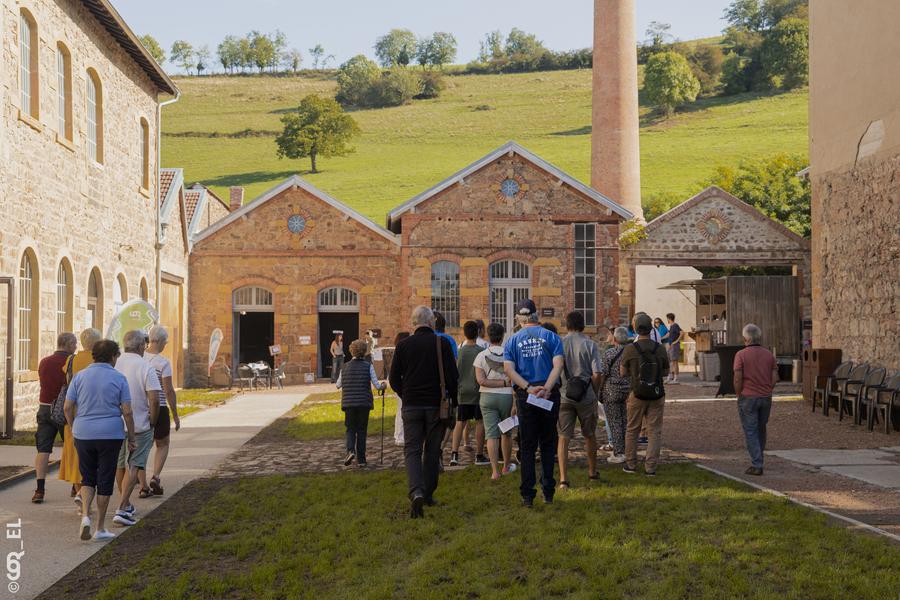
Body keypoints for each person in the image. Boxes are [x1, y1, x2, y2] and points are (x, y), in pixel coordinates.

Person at [389, 306, 458, 518]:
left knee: (411, 450)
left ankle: (416, 490)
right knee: (432, 450)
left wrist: (406, 394)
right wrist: (452, 400)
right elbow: (452, 377)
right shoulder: (442, 343)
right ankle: (427, 494)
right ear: (432, 322)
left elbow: (393, 379)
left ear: (413, 323)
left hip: (411, 406)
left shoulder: (403, 346)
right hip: (436, 406)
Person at [64, 339, 135, 541]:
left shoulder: (79, 377)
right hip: (110, 434)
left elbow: (67, 408)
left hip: (83, 433)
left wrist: (73, 426)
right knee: (105, 479)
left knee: (87, 478)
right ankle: (100, 528)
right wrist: (131, 437)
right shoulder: (119, 378)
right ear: (113, 357)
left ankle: (86, 515)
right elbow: (127, 412)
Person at [503, 299, 565, 507]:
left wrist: (529, 388)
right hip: (548, 394)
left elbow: (509, 370)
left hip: (526, 394)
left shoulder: (512, 341)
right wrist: (547, 387)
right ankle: (548, 492)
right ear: (536, 315)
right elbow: (558, 366)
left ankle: (527, 495)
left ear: (519, 319)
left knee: (527, 446)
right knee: (548, 444)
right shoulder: (552, 337)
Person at [112, 331, 161, 526]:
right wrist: (153, 420)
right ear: (142, 347)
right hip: (140, 424)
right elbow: (155, 399)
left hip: (116, 424)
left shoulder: (115, 364)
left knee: (120, 464)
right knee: (135, 465)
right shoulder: (145, 367)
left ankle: (125, 502)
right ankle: (122, 508)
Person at [556, 311, 603, 488]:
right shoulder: (590, 345)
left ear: (567, 325)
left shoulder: (559, 344)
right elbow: (597, 373)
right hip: (586, 395)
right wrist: (594, 391)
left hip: (564, 395)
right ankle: (592, 472)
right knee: (589, 435)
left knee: (563, 437)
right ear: (583, 325)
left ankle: (563, 479)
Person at [59, 328, 103, 509]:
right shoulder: (98, 361)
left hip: (73, 415)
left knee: (75, 457)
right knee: (95, 457)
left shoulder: (71, 360)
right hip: (94, 413)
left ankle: (80, 494)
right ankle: (83, 496)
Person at [620, 313, 669, 476]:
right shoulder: (660, 348)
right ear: (651, 328)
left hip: (637, 393)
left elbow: (622, 373)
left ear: (635, 328)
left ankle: (631, 464)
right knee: (655, 431)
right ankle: (651, 467)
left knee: (632, 429)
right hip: (656, 393)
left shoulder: (629, 349)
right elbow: (665, 372)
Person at [32, 333, 78, 503]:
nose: (75, 347)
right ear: (68, 344)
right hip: (63, 409)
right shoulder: (70, 362)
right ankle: (75, 485)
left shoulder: (44, 361)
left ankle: (39, 489)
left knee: (43, 450)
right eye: (74, 343)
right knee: (71, 446)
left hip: (44, 407)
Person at [734, 324, 778, 476]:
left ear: (745, 338)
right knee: (761, 428)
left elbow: (738, 378)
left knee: (751, 430)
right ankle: (759, 458)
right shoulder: (769, 355)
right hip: (765, 397)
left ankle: (757, 464)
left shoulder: (740, 355)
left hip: (748, 396)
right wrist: (768, 389)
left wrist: (738, 394)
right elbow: (775, 378)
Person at [474, 323, 516, 480]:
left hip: (487, 397)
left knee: (491, 435)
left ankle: (495, 472)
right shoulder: (509, 354)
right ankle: (506, 466)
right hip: (506, 397)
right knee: (506, 433)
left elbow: (481, 380)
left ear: (487, 335)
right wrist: (506, 385)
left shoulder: (480, 356)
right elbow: (514, 380)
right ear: (503, 335)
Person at [336, 339, 387, 467]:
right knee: (362, 430)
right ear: (364, 352)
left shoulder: (345, 367)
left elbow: (338, 385)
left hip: (349, 404)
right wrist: (383, 386)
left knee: (350, 429)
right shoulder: (368, 366)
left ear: (351, 351)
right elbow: (376, 385)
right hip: (364, 403)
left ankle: (350, 451)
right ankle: (362, 460)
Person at [144, 326, 180, 496]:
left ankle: (142, 483)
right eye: (165, 341)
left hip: (140, 407)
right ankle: (156, 476)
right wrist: (176, 414)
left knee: (141, 446)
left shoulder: (138, 358)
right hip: (160, 406)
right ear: (159, 341)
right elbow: (168, 390)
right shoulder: (163, 362)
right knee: (163, 443)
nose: (166, 344)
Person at [451, 321, 488, 467]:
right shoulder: (481, 351)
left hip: (462, 391)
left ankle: (454, 454)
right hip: (478, 391)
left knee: (460, 422)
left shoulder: (459, 351)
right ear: (478, 332)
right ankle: (479, 455)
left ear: (464, 333)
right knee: (480, 422)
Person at [599, 327, 631, 463]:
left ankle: (619, 453)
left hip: (611, 390)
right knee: (624, 421)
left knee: (614, 422)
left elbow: (603, 373)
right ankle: (626, 449)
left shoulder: (610, 353)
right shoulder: (631, 352)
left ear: (616, 339)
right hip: (627, 390)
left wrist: (599, 390)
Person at [392, 331, 411, 446]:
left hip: (403, 384)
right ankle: (399, 436)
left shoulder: (402, 351)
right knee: (401, 411)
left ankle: (399, 435)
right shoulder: (400, 352)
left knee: (401, 410)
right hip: (402, 385)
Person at [661, 313, 684, 383]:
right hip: (671, 345)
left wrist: (676, 341)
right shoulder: (671, 326)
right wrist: (661, 338)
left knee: (675, 362)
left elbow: (682, 332)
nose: (667, 320)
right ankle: (671, 377)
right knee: (671, 362)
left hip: (675, 345)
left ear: (669, 318)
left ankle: (676, 378)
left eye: (667, 318)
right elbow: (669, 334)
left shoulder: (675, 325)